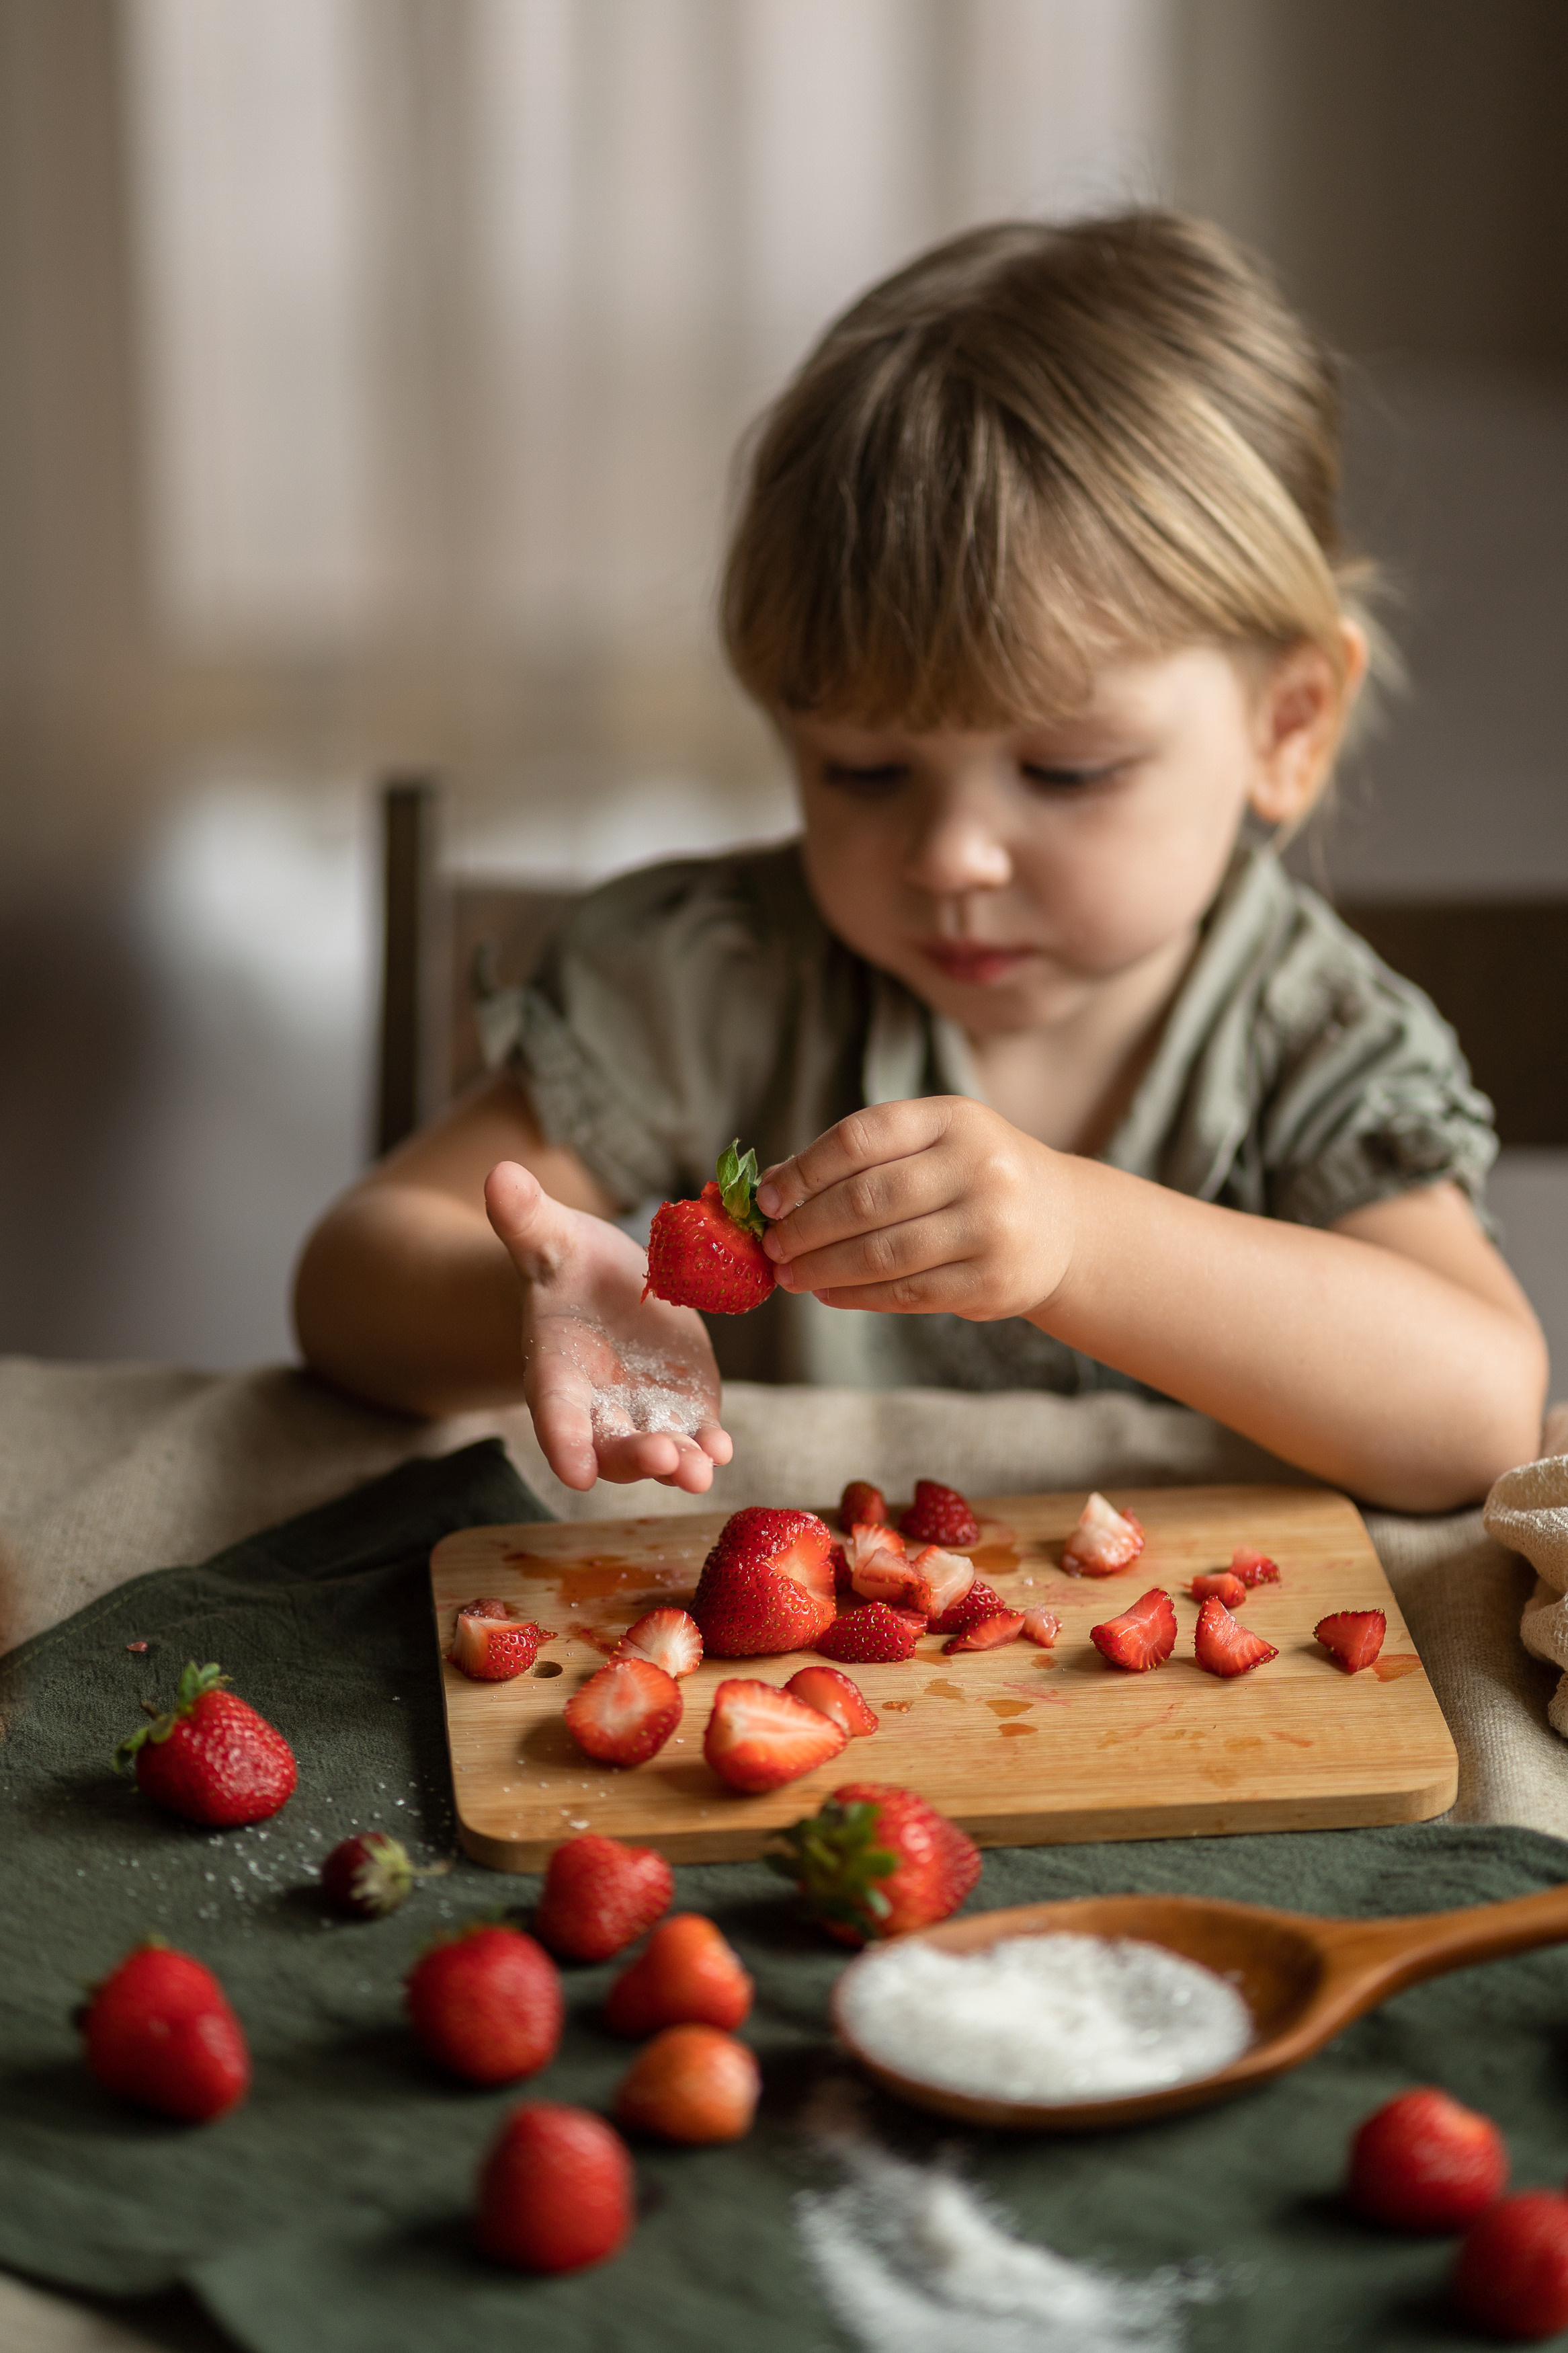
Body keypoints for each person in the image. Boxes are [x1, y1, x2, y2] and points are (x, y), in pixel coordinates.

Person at [294, 210, 1546, 1514]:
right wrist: (531, 1301)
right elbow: (349, 1281)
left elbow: (1475, 1415)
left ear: (1286, 726)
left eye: (1066, 772)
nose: (951, 857)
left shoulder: (1314, 1039)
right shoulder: (711, 979)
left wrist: (1082, 1240)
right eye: (863, 771)